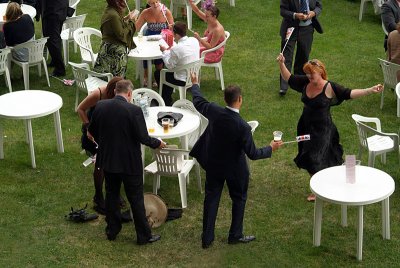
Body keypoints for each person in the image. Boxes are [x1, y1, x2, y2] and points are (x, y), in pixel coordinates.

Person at [188, 74, 283, 249]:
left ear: (225, 99)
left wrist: (195, 84)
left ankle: (207, 238)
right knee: (238, 199)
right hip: (235, 170)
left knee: (211, 198)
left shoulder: (215, 111)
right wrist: (271, 148)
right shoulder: (243, 127)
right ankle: (235, 235)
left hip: (214, 164)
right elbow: (253, 153)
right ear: (239, 99)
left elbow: (198, 101)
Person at [276, 53, 383, 201]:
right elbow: (289, 78)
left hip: (322, 128)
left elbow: (349, 93)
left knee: (315, 157)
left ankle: (318, 191)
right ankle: (321, 184)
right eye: (307, 74)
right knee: (307, 155)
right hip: (305, 125)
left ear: (320, 71)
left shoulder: (330, 87)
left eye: (311, 74)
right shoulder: (305, 82)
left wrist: (369, 90)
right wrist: (281, 64)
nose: (309, 77)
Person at [87, 79, 166, 244]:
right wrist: (158, 143)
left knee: (112, 195)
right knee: (136, 199)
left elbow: (92, 131)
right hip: (129, 163)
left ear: (115, 91)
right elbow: (143, 137)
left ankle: (112, 230)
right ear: (129, 94)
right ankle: (144, 236)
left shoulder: (100, 106)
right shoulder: (134, 110)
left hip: (109, 160)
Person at [77, 77, 124, 215]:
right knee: (100, 164)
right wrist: (88, 128)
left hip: (111, 132)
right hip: (95, 132)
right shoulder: (98, 94)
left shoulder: (121, 96)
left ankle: (114, 194)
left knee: (116, 163)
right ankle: (98, 196)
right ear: (111, 90)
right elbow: (80, 109)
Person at [279, 0, 323, 96]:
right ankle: (283, 86)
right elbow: (283, 11)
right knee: (286, 56)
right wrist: (295, 15)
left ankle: (299, 84)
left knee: (303, 56)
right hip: (290, 27)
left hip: (307, 29)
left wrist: (313, 13)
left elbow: (319, 6)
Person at [154, 21, 199, 106]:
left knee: (158, 73)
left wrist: (164, 52)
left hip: (182, 79)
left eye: (173, 33)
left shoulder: (176, 48)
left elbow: (169, 66)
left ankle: (165, 101)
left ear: (177, 35)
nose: (172, 35)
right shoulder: (194, 40)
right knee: (168, 74)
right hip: (193, 74)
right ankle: (167, 97)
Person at [93, 0, 138, 77]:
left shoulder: (110, 10)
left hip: (108, 48)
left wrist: (126, 18)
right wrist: (131, 21)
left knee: (109, 78)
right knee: (116, 80)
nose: (125, 2)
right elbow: (121, 34)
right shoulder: (113, 15)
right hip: (114, 52)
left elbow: (116, 26)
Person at [135, 0, 174, 87]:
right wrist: (133, 19)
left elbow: (173, 30)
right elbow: (137, 28)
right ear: (148, 3)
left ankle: (158, 76)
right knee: (146, 55)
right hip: (148, 38)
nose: (155, 5)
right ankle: (146, 76)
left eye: (156, 2)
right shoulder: (145, 12)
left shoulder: (166, 12)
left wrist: (171, 27)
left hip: (162, 39)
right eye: (152, 3)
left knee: (159, 59)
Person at [36, 0, 68, 77]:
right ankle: (55, 61)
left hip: (52, 12)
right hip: (60, 9)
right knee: (55, 38)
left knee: (52, 41)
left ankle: (60, 69)